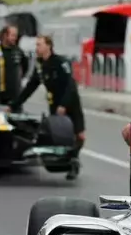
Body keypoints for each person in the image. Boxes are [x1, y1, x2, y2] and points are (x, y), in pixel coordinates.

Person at [11, 35, 85, 180]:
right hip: (54, 104)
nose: (36, 48)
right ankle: (70, 163)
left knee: (80, 135)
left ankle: (74, 159)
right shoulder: (40, 65)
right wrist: (14, 104)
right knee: (60, 136)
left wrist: (64, 104)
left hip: (70, 102)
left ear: (48, 46)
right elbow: (31, 87)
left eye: (39, 45)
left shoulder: (61, 62)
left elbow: (71, 85)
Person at [0, 25, 29, 106]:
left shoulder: (19, 51)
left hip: (16, 95)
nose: (15, 38)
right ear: (5, 35)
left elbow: (25, 67)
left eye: (16, 35)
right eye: (13, 35)